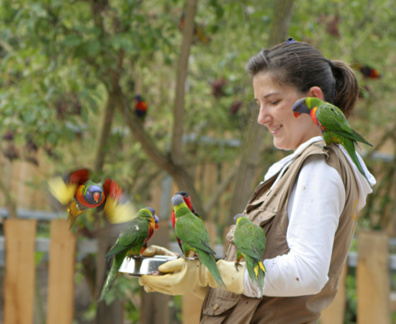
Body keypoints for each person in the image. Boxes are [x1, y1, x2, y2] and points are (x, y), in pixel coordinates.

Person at [138, 39, 376, 323]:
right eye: (258, 104)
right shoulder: (298, 168)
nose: (262, 117)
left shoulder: (318, 169)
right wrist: (201, 276)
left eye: (274, 101)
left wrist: (209, 272)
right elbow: (267, 292)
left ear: (315, 97)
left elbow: (307, 273)